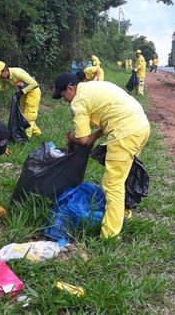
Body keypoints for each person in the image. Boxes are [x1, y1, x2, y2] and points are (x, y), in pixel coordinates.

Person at [51, 73, 150, 240]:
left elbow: (82, 140)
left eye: (63, 96)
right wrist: (94, 137)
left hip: (125, 133)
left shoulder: (79, 100)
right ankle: (123, 213)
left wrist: (71, 137)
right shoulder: (95, 86)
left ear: (70, 88)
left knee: (112, 184)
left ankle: (110, 235)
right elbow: (109, 117)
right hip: (141, 127)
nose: (65, 101)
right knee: (123, 176)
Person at [0, 61, 42, 139]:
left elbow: (34, 83)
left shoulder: (17, 73)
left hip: (33, 92)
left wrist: (22, 91)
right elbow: (3, 87)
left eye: (0, 74)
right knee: (23, 115)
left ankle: (26, 139)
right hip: (22, 94)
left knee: (28, 116)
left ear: (5, 70)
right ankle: (38, 134)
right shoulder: (4, 78)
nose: (0, 77)